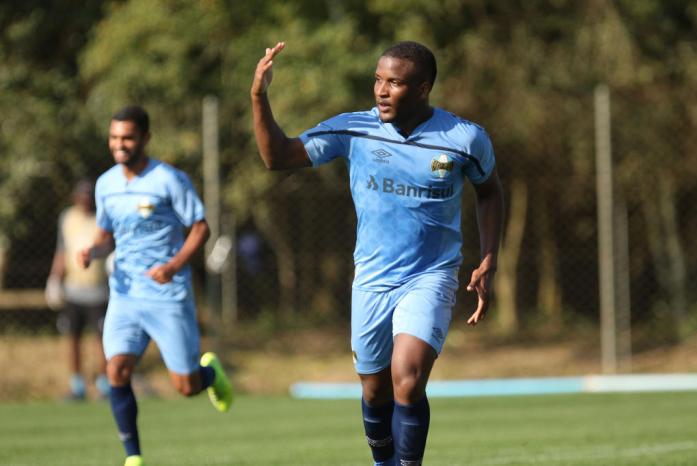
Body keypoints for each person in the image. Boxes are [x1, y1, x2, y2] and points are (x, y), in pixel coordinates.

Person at [251, 41, 503, 465]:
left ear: (423, 88)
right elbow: (277, 157)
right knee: (374, 390)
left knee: (407, 378)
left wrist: (489, 256)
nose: (382, 91)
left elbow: (490, 192)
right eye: (378, 79)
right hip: (372, 278)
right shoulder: (354, 130)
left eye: (395, 83)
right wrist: (259, 95)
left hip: (432, 274)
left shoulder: (464, 138)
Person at [77, 105, 233, 466]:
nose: (120, 144)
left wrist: (174, 265)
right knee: (116, 369)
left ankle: (209, 374)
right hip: (126, 295)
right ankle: (133, 456)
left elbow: (200, 228)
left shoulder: (169, 179)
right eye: (115, 137)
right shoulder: (106, 184)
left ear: (145, 138)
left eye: (128, 137)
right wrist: (93, 251)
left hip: (167, 295)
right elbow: (105, 235)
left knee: (185, 387)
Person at [46, 179, 110, 401]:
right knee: (72, 337)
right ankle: (77, 385)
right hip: (74, 290)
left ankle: (104, 385)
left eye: (89, 196)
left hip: (99, 290)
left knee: (102, 340)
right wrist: (54, 279)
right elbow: (62, 251)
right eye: (82, 196)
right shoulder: (68, 218)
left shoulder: (103, 218)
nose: (85, 200)